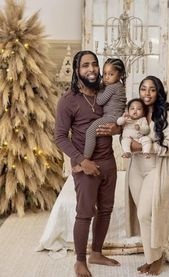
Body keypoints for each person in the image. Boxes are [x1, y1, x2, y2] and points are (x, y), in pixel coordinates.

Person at [97, 75, 169, 276]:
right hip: (136, 170)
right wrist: (131, 143)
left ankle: (157, 258)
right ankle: (150, 257)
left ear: (158, 92)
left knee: (146, 213)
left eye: (152, 89)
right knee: (143, 217)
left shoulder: (165, 115)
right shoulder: (134, 112)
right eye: (144, 89)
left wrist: (144, 147)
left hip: (156, 169)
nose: (147, 93)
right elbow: (124, 136)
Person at [54, 50, 120, 277]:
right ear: (77, 70)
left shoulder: (107, 92)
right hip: (85, 165)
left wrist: (117, 128)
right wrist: (82, 161)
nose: (91, 69)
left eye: (94, 64)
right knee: (84, 213)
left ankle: (97, 253)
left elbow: (121, 118)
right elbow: (60, 136)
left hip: (109, 162)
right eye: (85, 65)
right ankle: (80, 260)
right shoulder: (68, 100)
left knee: (106, 211)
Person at [83, 58, 126, 160]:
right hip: (117, 116)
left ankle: (85, 158)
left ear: (119, 75)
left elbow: (100, 101)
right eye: (105, 73)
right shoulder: (120, 86)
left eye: (111, 74)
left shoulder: (111, 87)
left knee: (90, 131)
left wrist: (99, 89)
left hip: (112, 117)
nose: (106, 77)